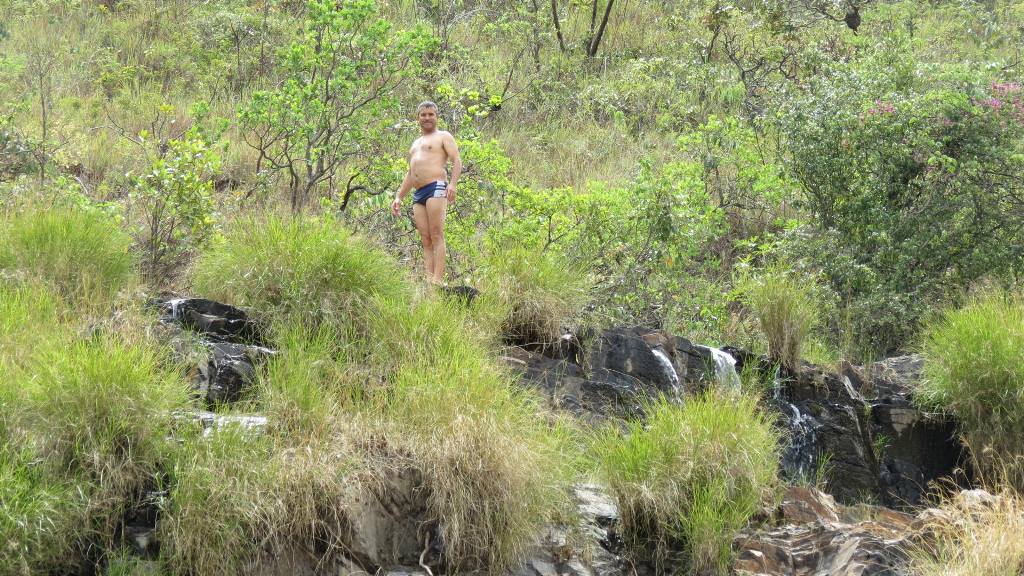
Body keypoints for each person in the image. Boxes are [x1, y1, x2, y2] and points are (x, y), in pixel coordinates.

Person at [391, 101, 462, 285]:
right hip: (418, 193)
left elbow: (456, 160)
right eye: (423, 114)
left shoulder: (443, 136)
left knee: (437, 234)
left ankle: (437, 280)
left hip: (436, 187)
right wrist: (399, 197)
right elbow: (410, 173)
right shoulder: (415, 143)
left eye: (431, 114)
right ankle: (429, 281)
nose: (427, 118)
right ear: (418, 118)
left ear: (437, 117)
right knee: (425, 239)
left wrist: (453, 184)